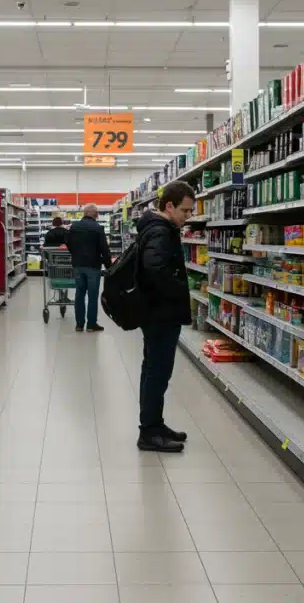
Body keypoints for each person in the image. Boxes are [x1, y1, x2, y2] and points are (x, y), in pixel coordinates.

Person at [134, 182, 195, 452]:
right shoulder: (160, 231)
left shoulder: (156, 227)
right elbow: (154, 267)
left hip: (156, 311)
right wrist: (177, 289)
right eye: (185, 210)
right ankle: (149, 432)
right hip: (161, 313)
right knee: (158, 372)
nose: (188, 216)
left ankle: (154, 424)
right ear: (168, 206)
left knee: (153, 370)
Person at [65, 204, 112, 332]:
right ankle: (91, 324)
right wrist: (109, 265)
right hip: (93, 266)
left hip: (78, 265)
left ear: (84, 213)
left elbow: (68, 243)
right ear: (95, 214)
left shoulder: (74, 227)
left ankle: (79, 324)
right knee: (92, 295)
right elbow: (104, 249)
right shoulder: (98, 228)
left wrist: (76, 254)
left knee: (79, 294)